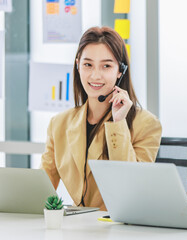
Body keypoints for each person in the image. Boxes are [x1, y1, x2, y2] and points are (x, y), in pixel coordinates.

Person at [40, 27, 162, 210]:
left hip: (121, 227)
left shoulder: (146, 124)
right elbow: (42, 187)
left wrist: (119, 123)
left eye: (106, 66)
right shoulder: (59, 123)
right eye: (88, 64)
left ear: (120, 71)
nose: (95, 75)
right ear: (77, 65)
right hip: (78, 227)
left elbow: (131, 186)